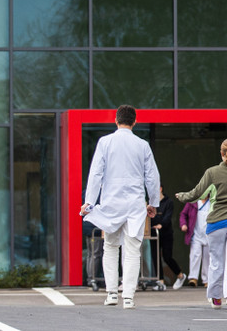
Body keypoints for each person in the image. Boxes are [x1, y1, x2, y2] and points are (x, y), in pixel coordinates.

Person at [81, 105, 160, 309]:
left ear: (116, 121)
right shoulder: (142, 145)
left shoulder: (105, 142)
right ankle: (129, 297)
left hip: (111, 203)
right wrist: (153, 203)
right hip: (135, 204)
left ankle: (112, 293)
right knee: (133, 250)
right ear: (134, 122)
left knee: (110, 248)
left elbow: (95, 173)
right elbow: (152, 176)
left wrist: (89, 201)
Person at [175, 138, 227, 310]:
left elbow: (197, 194)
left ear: (221, 153)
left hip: (216, 222)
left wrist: (182, 196)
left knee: (216, 261)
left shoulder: (212, 172)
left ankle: (216, 298)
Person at [150, 185, 186, 291]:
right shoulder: (151, 203)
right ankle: (160, 281)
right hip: (154, 233)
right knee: (155, 256)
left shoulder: (168, 202)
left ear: (160, 189)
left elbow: (168, 216)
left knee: (167, 256)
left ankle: (180, 275)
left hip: (166, 233)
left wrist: (161, 225)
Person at [179, 195, 210, 288]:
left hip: (208, 234)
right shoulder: (193, 203)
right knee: (195, 255)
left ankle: (207, 280)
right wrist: (183, 224)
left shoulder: (212, 202)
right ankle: (193, 278)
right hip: (196, 234)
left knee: (208, 257)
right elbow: (183, 214)